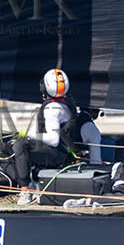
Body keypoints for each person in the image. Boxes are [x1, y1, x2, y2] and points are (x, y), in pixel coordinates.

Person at [7, 68, 81, 201]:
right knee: (1, 149)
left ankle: (25, 190)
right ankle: (27, 182)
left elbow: (53, 140)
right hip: (57, 152)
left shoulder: (52, 109)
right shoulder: (65, 103)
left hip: (57, 154)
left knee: (20, 145)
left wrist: (28, 135)